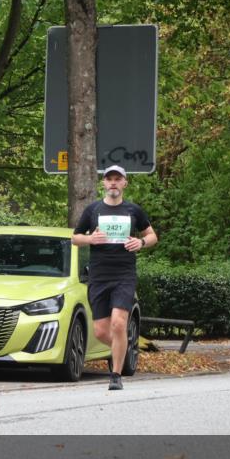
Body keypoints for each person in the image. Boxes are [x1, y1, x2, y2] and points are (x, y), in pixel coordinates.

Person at [71, 165, 157, 391]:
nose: (113, 183)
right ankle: (123, 347)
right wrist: (91, 239)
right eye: (109, 179)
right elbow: (75, 238)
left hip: (124, 274)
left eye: (117, 179)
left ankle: (116, 375)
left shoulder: (133, 210)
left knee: (119, 323)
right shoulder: (93, 210)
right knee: (101, 331)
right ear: (103, 183)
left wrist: (140, 242)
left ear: (124, 183)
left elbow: (152, 235)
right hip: (99, 275)